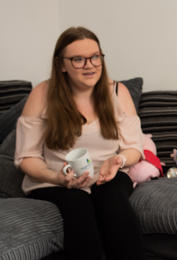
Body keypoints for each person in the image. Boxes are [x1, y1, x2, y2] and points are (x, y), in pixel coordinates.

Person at [14, 26, 144, 260]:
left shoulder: (117, 92)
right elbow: (26, 157)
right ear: (61, 64)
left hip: (108, 174)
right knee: (79, 208)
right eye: (78, 59)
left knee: (113, 202)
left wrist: (118, 161)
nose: (90, 65)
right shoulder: (42, 94)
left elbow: (134, 148)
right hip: (55, 180)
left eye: (95, 57)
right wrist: (58, 179)